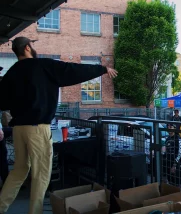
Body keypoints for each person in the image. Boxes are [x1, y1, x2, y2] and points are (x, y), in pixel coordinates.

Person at [0, 37, 118, 214]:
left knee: (19, 170)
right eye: (32, 45)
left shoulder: (11, 73)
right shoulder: (43, 66)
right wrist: (102, 69)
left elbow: (2, 101)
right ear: (26, 48)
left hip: (18, 129)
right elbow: (73, 70)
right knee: (41, 174)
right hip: (37, 128)